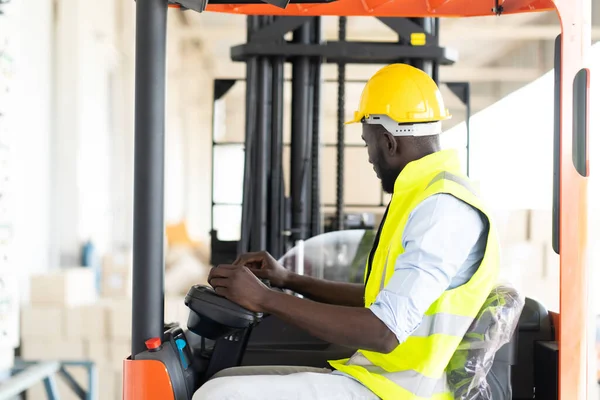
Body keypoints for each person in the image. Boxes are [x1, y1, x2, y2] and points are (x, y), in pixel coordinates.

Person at [193, 63, 499, 400]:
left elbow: (384, 330)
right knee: (222, 382)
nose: (369, 157)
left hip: (398, 392)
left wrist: (264, 298)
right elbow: (378, 300)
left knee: (217, 395)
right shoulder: (427, 197)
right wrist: (288, 279)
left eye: (367, 143)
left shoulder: (442, 209)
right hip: (380, 379)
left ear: (388, 141)